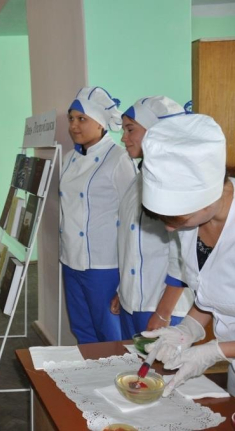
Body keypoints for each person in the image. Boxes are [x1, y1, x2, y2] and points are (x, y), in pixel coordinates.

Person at [139, 114, 235, 397]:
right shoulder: (190, 224)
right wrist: (189, 328)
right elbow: (213, 291)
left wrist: (216, 351)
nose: (170, 228)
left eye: (177, 219)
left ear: (209, 195)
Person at [110, 96, 194, 337]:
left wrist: (164, 312)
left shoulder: (176, 183)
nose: (123, 138)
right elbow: (130, 244)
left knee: (159, 363)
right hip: (134, 303)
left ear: (157, 132)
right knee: (133, 361)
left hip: (162, 307)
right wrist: (123, 291)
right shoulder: (140, 178)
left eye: (130, 130)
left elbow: (183, 255)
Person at [60, 86, 137, 344]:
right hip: (71, 259)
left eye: (82, 119)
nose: (74, 125)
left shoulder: (119, 159)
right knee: (82, 329)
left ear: (100, 123)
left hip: (105, 265)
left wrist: (126, 278)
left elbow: (133, 219)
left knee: (110, 334)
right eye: (71, 118)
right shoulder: (69, 158)